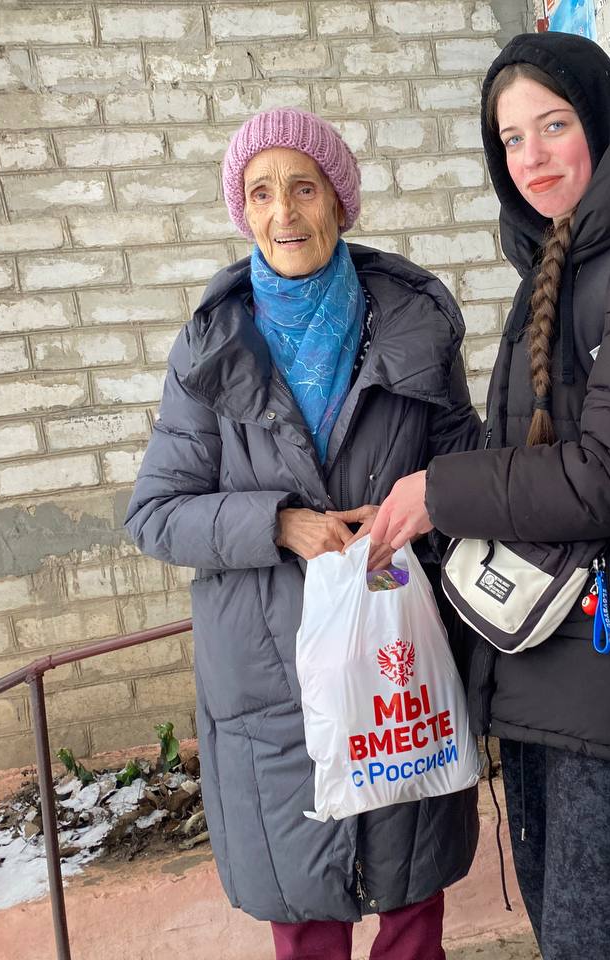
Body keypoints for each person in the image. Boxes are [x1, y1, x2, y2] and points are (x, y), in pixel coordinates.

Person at [370, 32, 610, 960]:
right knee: (589, 933)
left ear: (602, 123)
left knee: (602, 938)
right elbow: (529, 459)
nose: (530, 157)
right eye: (511, 139)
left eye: (554, 126)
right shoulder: (557, 269)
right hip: (551, 650)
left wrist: (440, 492)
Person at [125, 107, 480, 960]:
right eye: (261, 193)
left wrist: (424, 502)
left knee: (411, 920)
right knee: (308, 926)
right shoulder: (211, 350)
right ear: (242, 211)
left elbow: (466, 464)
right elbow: (156, 513)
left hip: (397, 662)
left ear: (339, 201)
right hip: (272, 682)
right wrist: (277, 523)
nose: (283, 212)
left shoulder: (415, 326)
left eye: (303, 188)